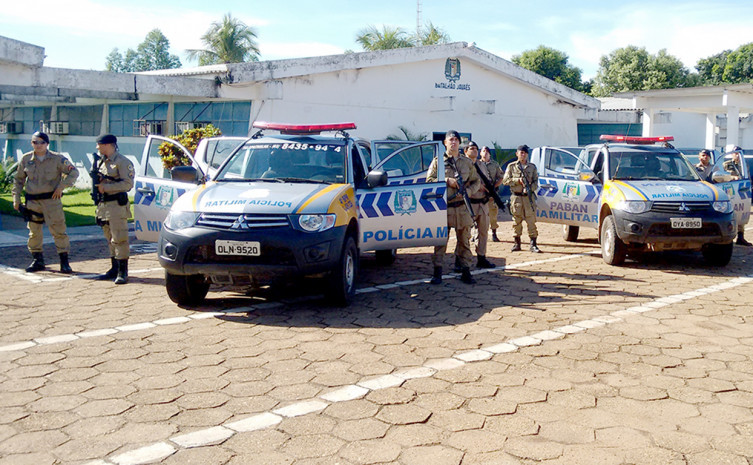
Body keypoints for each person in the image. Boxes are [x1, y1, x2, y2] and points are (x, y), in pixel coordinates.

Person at [13, 131, 79, 273]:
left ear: (47, 144)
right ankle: (37, 260)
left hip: (51, 201)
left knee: (59, 231)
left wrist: (61, 187)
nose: (38, 145)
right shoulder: (26, 159)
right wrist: (16, 199)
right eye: (35, 142)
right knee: (34, 232)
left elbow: (73, 172)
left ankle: (64, 261)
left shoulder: (57, 159)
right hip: (33, 202)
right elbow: (18, 180)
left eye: (41, 142)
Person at [426, 130, 481, 285]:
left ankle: (466, 271)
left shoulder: (466, 162)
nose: (453, 142)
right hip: (445, 207)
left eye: (456, 140)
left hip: (462, 208)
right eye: (450, 140)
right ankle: (437, 272)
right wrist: (446, 181)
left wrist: (469, 192)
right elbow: (429, 180)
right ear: (445, 143)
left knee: (464, 241)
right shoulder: (438, 162)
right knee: (441, 241)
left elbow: (476, 181)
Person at [94, 134, 135, 283]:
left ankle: (122, 271)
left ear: (108, 145)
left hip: (116, 206)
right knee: (110, 238)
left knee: (120, 238)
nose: (97, 147)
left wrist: (106, 187)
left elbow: (128, 184)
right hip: (104, 206)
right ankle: (114, 268)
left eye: (99, 144)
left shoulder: (122, 162)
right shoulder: (101, 162)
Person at [502, 144, 541, 253]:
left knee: (531, 221)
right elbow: (505, 181)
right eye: (521, 152)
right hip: (516, 198)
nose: (522, 154)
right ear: (517, 154)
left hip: (528, 198)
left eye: (524, 153)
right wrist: (517, 180)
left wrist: (530, 188)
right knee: (516, 221)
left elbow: (535, 183)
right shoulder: (511, 166)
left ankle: (533, 244)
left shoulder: (532, 167)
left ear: (527, 154)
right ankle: (517, 243)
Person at [463, 141, 495, 269]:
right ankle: (460, 260)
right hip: (469, 204)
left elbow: (487, 179)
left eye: (476, 148)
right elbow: (461, 183)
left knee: (483, 232)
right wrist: (477, 187)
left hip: (483, 203)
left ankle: (481, 258)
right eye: (471, 148)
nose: (474, 150)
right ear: (465, 151)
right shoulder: (462, 164)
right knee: (464, 233)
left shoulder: (482, 165)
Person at [724, 146, 751, 246]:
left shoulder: (744, 165)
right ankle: (728, 236)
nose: (737, 155)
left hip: (742, 190)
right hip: (731, 190)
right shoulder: (727, 165)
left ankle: (741, 236)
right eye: (735, 153)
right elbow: (724, 177)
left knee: (742, 212)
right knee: (732, 212)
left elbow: (746, 176)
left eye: (739, 153)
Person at [481, 146, 504, 242]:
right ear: (480, 153)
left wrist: (494, 187)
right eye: (483, 151)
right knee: (478, 215)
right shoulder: (477, 164)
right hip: (480, 193)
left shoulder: (495, 165)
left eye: (487, 151)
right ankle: (476, 234)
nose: (485, 153)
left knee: (493, 214)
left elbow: (501, 177)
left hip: (492, 194)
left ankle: (494, 233)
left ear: (490, 153)